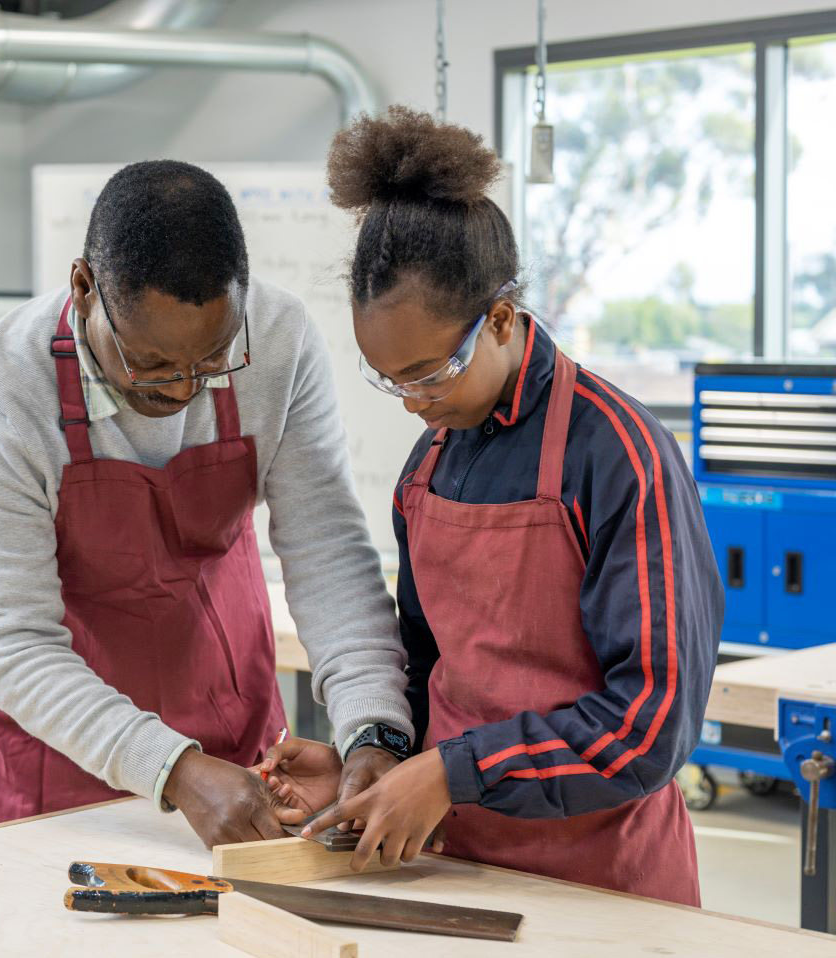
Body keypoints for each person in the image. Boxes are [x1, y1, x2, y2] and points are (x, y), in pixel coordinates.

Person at [262, 107, 722, 906]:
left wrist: (451, 772)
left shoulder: (618, 455)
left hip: (604, 882)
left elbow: (648, 728)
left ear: (502, 320)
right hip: (457, 867)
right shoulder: (429, 465)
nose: (412, 403)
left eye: (429, 374)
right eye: (390, 379)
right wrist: (375, 755)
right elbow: (424, 664)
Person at [0, 160, 414, 848]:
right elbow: (11, 641)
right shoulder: (3, 392)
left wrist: (373, 727)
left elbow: (330, 553)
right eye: (150, 362)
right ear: (83, 289)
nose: (182, 389)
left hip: (234, 740)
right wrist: (172, 768)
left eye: (212, 360)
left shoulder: (278, 342)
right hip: (65, 752)